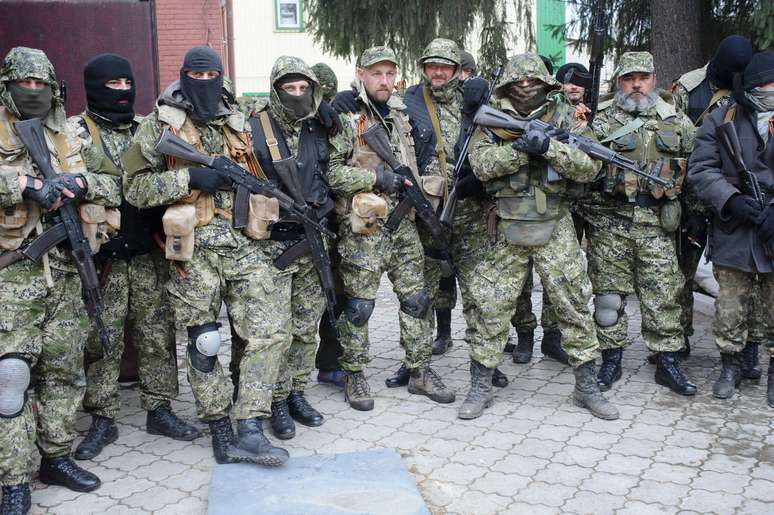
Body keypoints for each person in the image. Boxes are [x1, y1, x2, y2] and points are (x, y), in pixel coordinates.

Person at [123, 45, 289, 466]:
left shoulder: (239, 120)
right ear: (183, 76)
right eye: (195, 77)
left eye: (211, 75)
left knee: (269, 333)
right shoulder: (158, 125)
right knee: (205, 342)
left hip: (244, 244)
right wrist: (188, 177)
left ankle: (250, 425)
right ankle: (219, 428)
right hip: (192, 250)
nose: (204, 83)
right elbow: (134, 189)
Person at [0, 46, 122, 513]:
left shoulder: (72, 133)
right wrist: (30, 186)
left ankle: (55, 456)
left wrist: (83, 184)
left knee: (64, 371)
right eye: (22, 85)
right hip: (14, 273)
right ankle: (14, 478)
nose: (32, 92)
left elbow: (116, 185)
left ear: (54, 89)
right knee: (11, 377)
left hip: (68, 270)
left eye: (41, 86)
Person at [468, 53, 619, 421]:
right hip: (506, 220)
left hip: (555, 219)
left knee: (572, 301)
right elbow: (481, 165)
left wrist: (549, 147)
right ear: (507, 85)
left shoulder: (566, 116)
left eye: (533, 82)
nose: (526, 88)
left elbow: (589, 167)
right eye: (518, 83)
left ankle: (586, 387)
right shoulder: (492, 118)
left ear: (546, 84)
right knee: (491, 304)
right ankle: (480, 386)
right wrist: (521, 149)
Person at [70, 53, 199, 462]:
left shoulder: (151, 128)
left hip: (149, 253)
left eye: (128, 85)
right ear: (94, 87)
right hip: (103, 258)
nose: (124, 93)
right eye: (114, 86)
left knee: (157, 335)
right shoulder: (74, 133)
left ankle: (159, 408)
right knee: (102, 340)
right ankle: (102, 418)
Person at [328, 46, 455, 411]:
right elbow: (331, 172)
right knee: (359, 307)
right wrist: (375, 176)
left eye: (388, 74)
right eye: (376, 74)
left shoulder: (401, 113)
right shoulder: (346, 114)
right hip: (364, 227)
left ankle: (420, 371)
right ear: (361, 74)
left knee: (417, 301)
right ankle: (353, 374)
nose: (383, 81)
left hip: (402, 222)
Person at [229, 55, 340, 440]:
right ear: (276, 89)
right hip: (269, 246)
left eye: (303, 88)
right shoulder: (251, 125)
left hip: (313, 240)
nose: (297, 95)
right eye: (289, 88)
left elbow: (338, 163)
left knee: (307, 328)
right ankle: (274, 401)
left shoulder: (319, 124)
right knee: (275, 332)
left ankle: (295, 393)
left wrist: (330, 111)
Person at [580, 51, 697, 395]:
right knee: (608, 298)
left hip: (657, 224)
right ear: (618, 82)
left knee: (663, 293)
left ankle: (667, 362)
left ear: (653, 79)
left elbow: (693, 170)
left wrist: (694, 218)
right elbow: (580, 168)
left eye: (642, 78)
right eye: (628, 78)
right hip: (609, 221)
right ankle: (611, 358)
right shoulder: (599, 121)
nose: (635, 84)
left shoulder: (676, 121)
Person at [687, 50, 774, 406]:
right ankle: (730, 365)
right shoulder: (724, 117)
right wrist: (731, 199)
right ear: (753, 87)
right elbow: (701, 169)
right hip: (735, 228)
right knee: (730, 305)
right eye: (768, 85)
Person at [673, 35, 754, 357]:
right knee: (681, 274)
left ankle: (743, 346)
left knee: (741, 275)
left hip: (735, 199)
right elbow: (673, 142)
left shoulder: (752, 87)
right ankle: (677, 341)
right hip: (689, 196)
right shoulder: (688, 87)